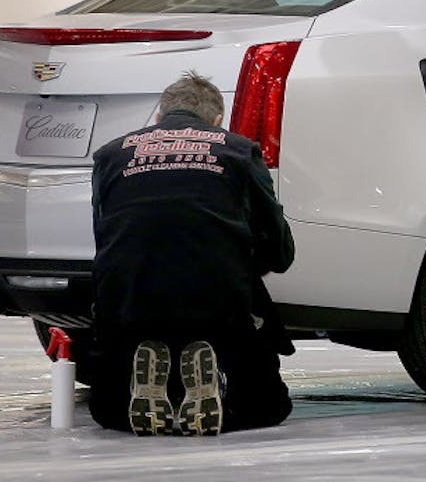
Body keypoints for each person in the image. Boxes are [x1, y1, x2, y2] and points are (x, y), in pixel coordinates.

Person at [87, 71, 296, 435]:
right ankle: (213, 384)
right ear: (217, 121)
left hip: (128, 304)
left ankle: (153, 381)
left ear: (158, 117)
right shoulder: (238, 150)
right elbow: (280, 250)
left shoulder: (110, 156)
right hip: (216, 302)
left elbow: (104, 238)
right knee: (270, 405)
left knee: (107, 411)